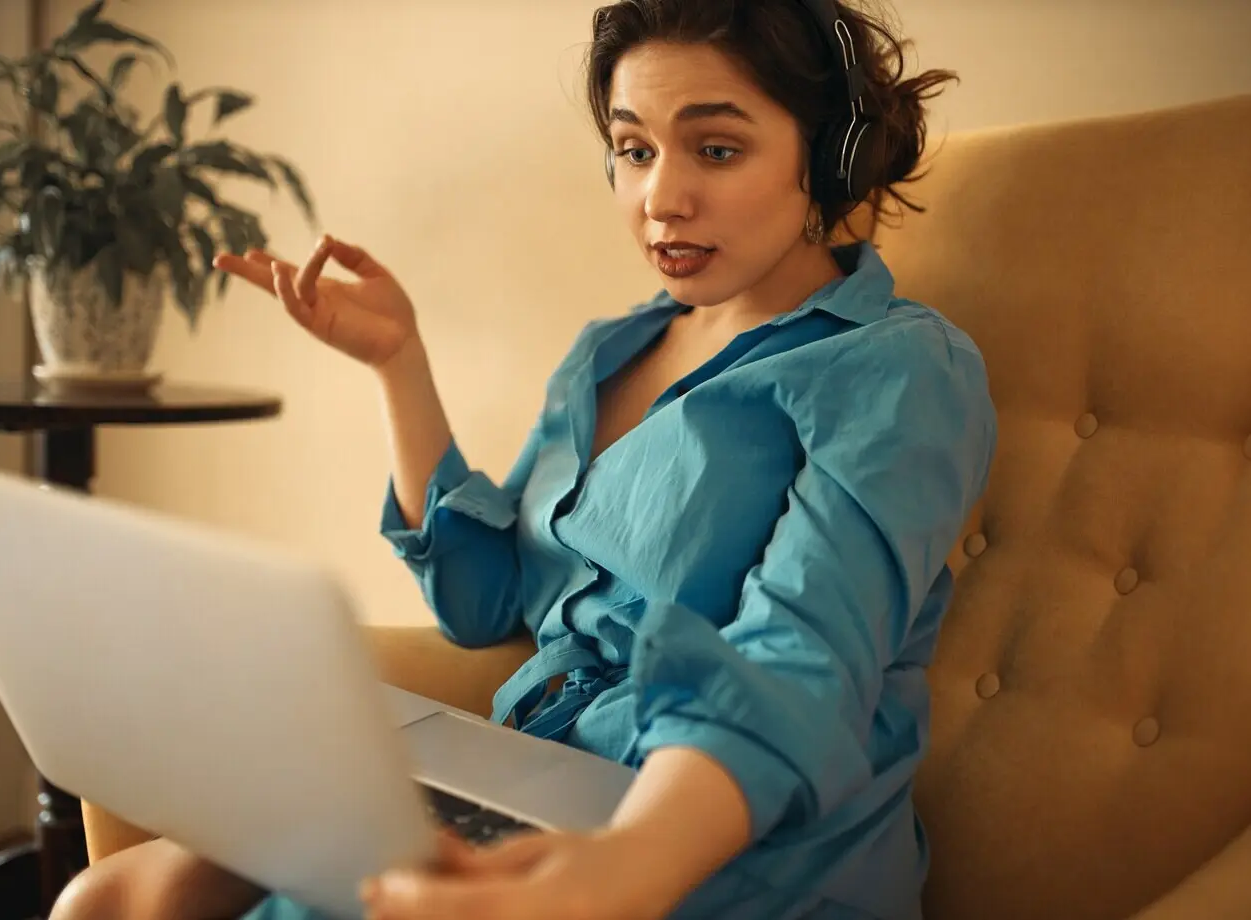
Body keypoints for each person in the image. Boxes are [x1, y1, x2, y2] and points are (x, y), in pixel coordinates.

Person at [50, 0, 996, 917]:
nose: (660, 198)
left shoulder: (897, 368)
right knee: (111, 896)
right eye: (633, 149)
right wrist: (398, 364)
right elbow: (484, 600)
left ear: (828, 158)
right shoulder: (608, 352)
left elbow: (802, 662)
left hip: (725, 844)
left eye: (716, 148)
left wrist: (618, 869)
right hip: (527, 777)